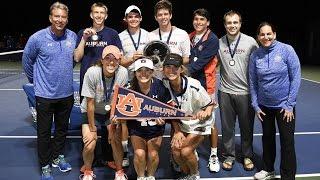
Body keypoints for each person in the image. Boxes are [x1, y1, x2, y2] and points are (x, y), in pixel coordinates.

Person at [22, 2, 77, 180]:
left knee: (62, 130)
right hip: (44, 96)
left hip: (66, 95)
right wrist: (35, 81)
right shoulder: (37, 38)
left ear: (67, 19)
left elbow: (73, 60)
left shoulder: (72, 37)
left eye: (63, 17)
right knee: (44, 133)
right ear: (50, 18)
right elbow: (27, 61)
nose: (60, 20)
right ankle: (45, 165)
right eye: (57, 16)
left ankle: (57, 157)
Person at [74, 2, 123, 169]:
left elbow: (119, 57)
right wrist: (84, 39)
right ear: (91, 14)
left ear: (106, 15)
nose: (99, 15)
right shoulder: (83, 33)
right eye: (96, 12)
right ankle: (90, 160)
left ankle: (109, 157)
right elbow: (77, 57)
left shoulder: (112, 33)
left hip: (108, 85)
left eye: (102, 12)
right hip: (89, 85)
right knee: (90, 120)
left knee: (108, 123)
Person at [249, 22, 301, 180]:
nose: (266, 37)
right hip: (265, 107)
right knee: (267, 138)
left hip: (284, 107)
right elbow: (253, 82)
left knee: (287, 142)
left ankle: (288, 176)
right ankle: (268, 169)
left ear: (274, 34)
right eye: (262, 34)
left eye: (268, 34)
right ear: (258, 37)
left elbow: (296, 77)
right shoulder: (255, 55)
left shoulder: (286, 50)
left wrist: (290, 105)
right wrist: (256, 105)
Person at [162, 53, 217, 180]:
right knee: (176, 151)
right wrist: (177, 131)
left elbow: (210, 105)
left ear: (181, 69)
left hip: (200, 123)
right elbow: (172, 112)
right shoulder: (164, 86)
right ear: (163, 69)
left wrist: (205, 112)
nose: (171, 71)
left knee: (185, 152)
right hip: (183, 124)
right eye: (168, 67)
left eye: (175, 67)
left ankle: (195, 174)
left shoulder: (194, 85)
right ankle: (188, 174)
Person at [79, 45, 129, 180]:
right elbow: (89, 103)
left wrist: (112, 125)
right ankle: (88, 171)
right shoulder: (92, 72)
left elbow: (119, 100)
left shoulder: (123, 73)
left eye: (115, 59)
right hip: (92, 111)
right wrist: (92, 128)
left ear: (119, 61)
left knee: (115, 139)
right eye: (108, 58)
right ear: (102, 60)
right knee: (90, 142)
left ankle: (119, 172)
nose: (111, 62)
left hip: (110, 112)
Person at [217, 10, 258, 171]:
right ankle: (229, 156)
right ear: (225, 24)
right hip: (225, 91)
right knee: (227, 128)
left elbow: (257, 67)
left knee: (246, 127)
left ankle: (247, 155)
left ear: (240, 24)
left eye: (235, 22)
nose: (232, 25)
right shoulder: (220, 42)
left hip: (245, 92)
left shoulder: (251, 42)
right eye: (229, 23)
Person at [126, 57, 171, 180]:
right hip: (136, 128)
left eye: (147, 70)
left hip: (155, 128)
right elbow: (121, 111)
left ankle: (151, 176)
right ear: (135, 73)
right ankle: (140, 177)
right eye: (140, 70)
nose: (143, 74)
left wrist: (163, 118)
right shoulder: (129, 88)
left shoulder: (160, 87)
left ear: (152, 72)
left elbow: (170, 109)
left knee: (153, 154)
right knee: (140, 153)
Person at [187, 8, 220, 173]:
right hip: (191, 87)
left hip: (207, 86)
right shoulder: (190, 37)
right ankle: (192, 149)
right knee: (193, 118)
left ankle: (214, 154)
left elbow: (199, 63)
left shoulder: (213, 39)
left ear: (208, 22)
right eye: (196, 19)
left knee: (210, 122)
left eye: (202, 19)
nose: (198, 22)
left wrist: (179, 72)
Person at [118, 5, 150, 167]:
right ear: (126, 19)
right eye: (130, 16)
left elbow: (154, 58)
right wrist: (132, 59)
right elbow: (119, 62)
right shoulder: (120, 37)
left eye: (136, 16)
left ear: (141, 18)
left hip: (144, 82)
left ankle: (143, 150)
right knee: (124, 119)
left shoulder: (148, 35)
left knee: (143, 117)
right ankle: (124, 152)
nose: (133, 19)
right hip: (127, 82)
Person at [149, 0, 190, 65]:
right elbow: (148, 57)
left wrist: (172, 64)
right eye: (160, 15)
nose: (163, 17)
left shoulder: (182, 34)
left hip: (174, 73)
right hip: (157, 74)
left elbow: (186, 59)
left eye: (166, 14)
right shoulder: (150, 36)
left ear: (170, 15)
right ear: (156, 18)